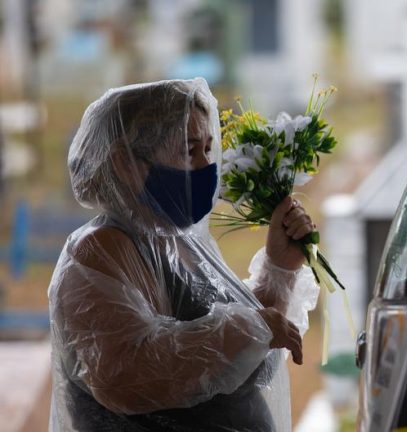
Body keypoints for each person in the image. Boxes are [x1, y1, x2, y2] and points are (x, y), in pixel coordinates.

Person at [48, 78, 320, 431]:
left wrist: (279, 269)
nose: (206, 165)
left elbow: (244, 364)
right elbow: (127, 377)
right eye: (189, 150)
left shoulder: (179, 242)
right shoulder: (98, 252)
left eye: (208, 149)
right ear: (125, 163)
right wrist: (250, 330)